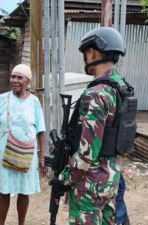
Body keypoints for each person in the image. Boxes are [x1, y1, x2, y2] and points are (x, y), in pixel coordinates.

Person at [50, 27, 132, 225]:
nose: (85, 58)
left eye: (86, 53)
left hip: (90, 185)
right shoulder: (120, 87)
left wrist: (63, 180)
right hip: (110, 177)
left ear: (93, 52)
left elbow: (86, 153)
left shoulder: (97, 93)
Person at [0, 64, 47, 225]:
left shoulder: (34, 102)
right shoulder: (2, 99)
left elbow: (41, 131)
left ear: (28, 81)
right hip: (6, 153)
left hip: (28, 154)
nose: (15, 80)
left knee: (24, 191)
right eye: (13, 76)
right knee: (4, 191)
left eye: (19, 77)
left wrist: (42, 157)